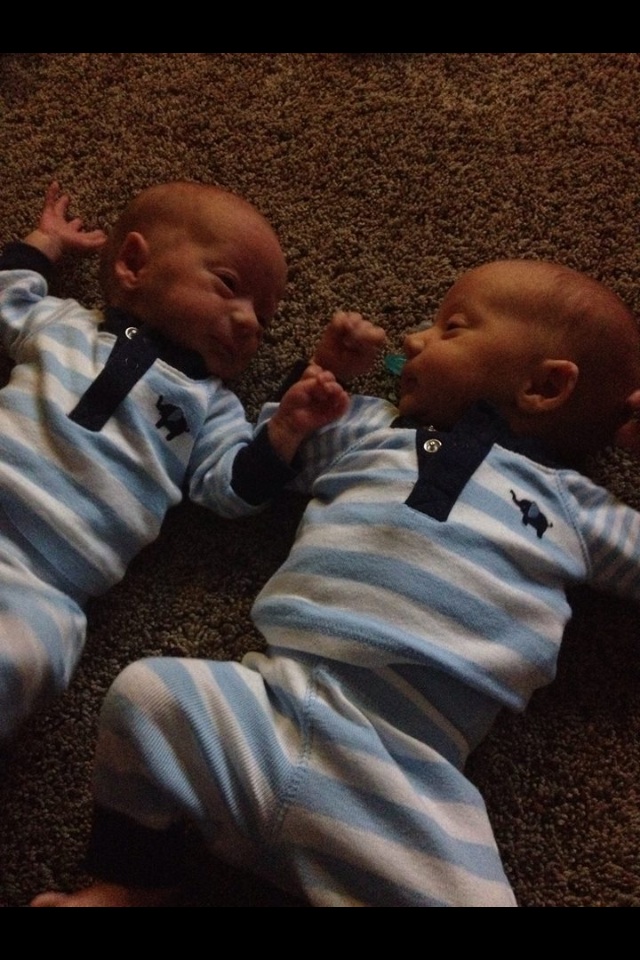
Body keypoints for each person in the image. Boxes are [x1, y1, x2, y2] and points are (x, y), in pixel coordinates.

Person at [32, 259, 640, 907]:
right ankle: (133, 882)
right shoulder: (370, 425)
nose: (413, 340)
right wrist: (318, 379)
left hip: (407, 776)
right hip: (269, 707)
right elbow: (279, 450)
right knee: (149, 695)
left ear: (544, 386)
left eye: (451, 328)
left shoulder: (577, 507)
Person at [0, 179, 346, 746]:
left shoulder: (212, 405)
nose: (250, 322)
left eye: (263, 318)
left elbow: (231, 488)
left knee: (22, 659)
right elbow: (10, 292)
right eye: (229, 286)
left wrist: (285, 429)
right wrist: (47, 242)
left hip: (50, 585)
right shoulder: (65, 324)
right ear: (135, 264)